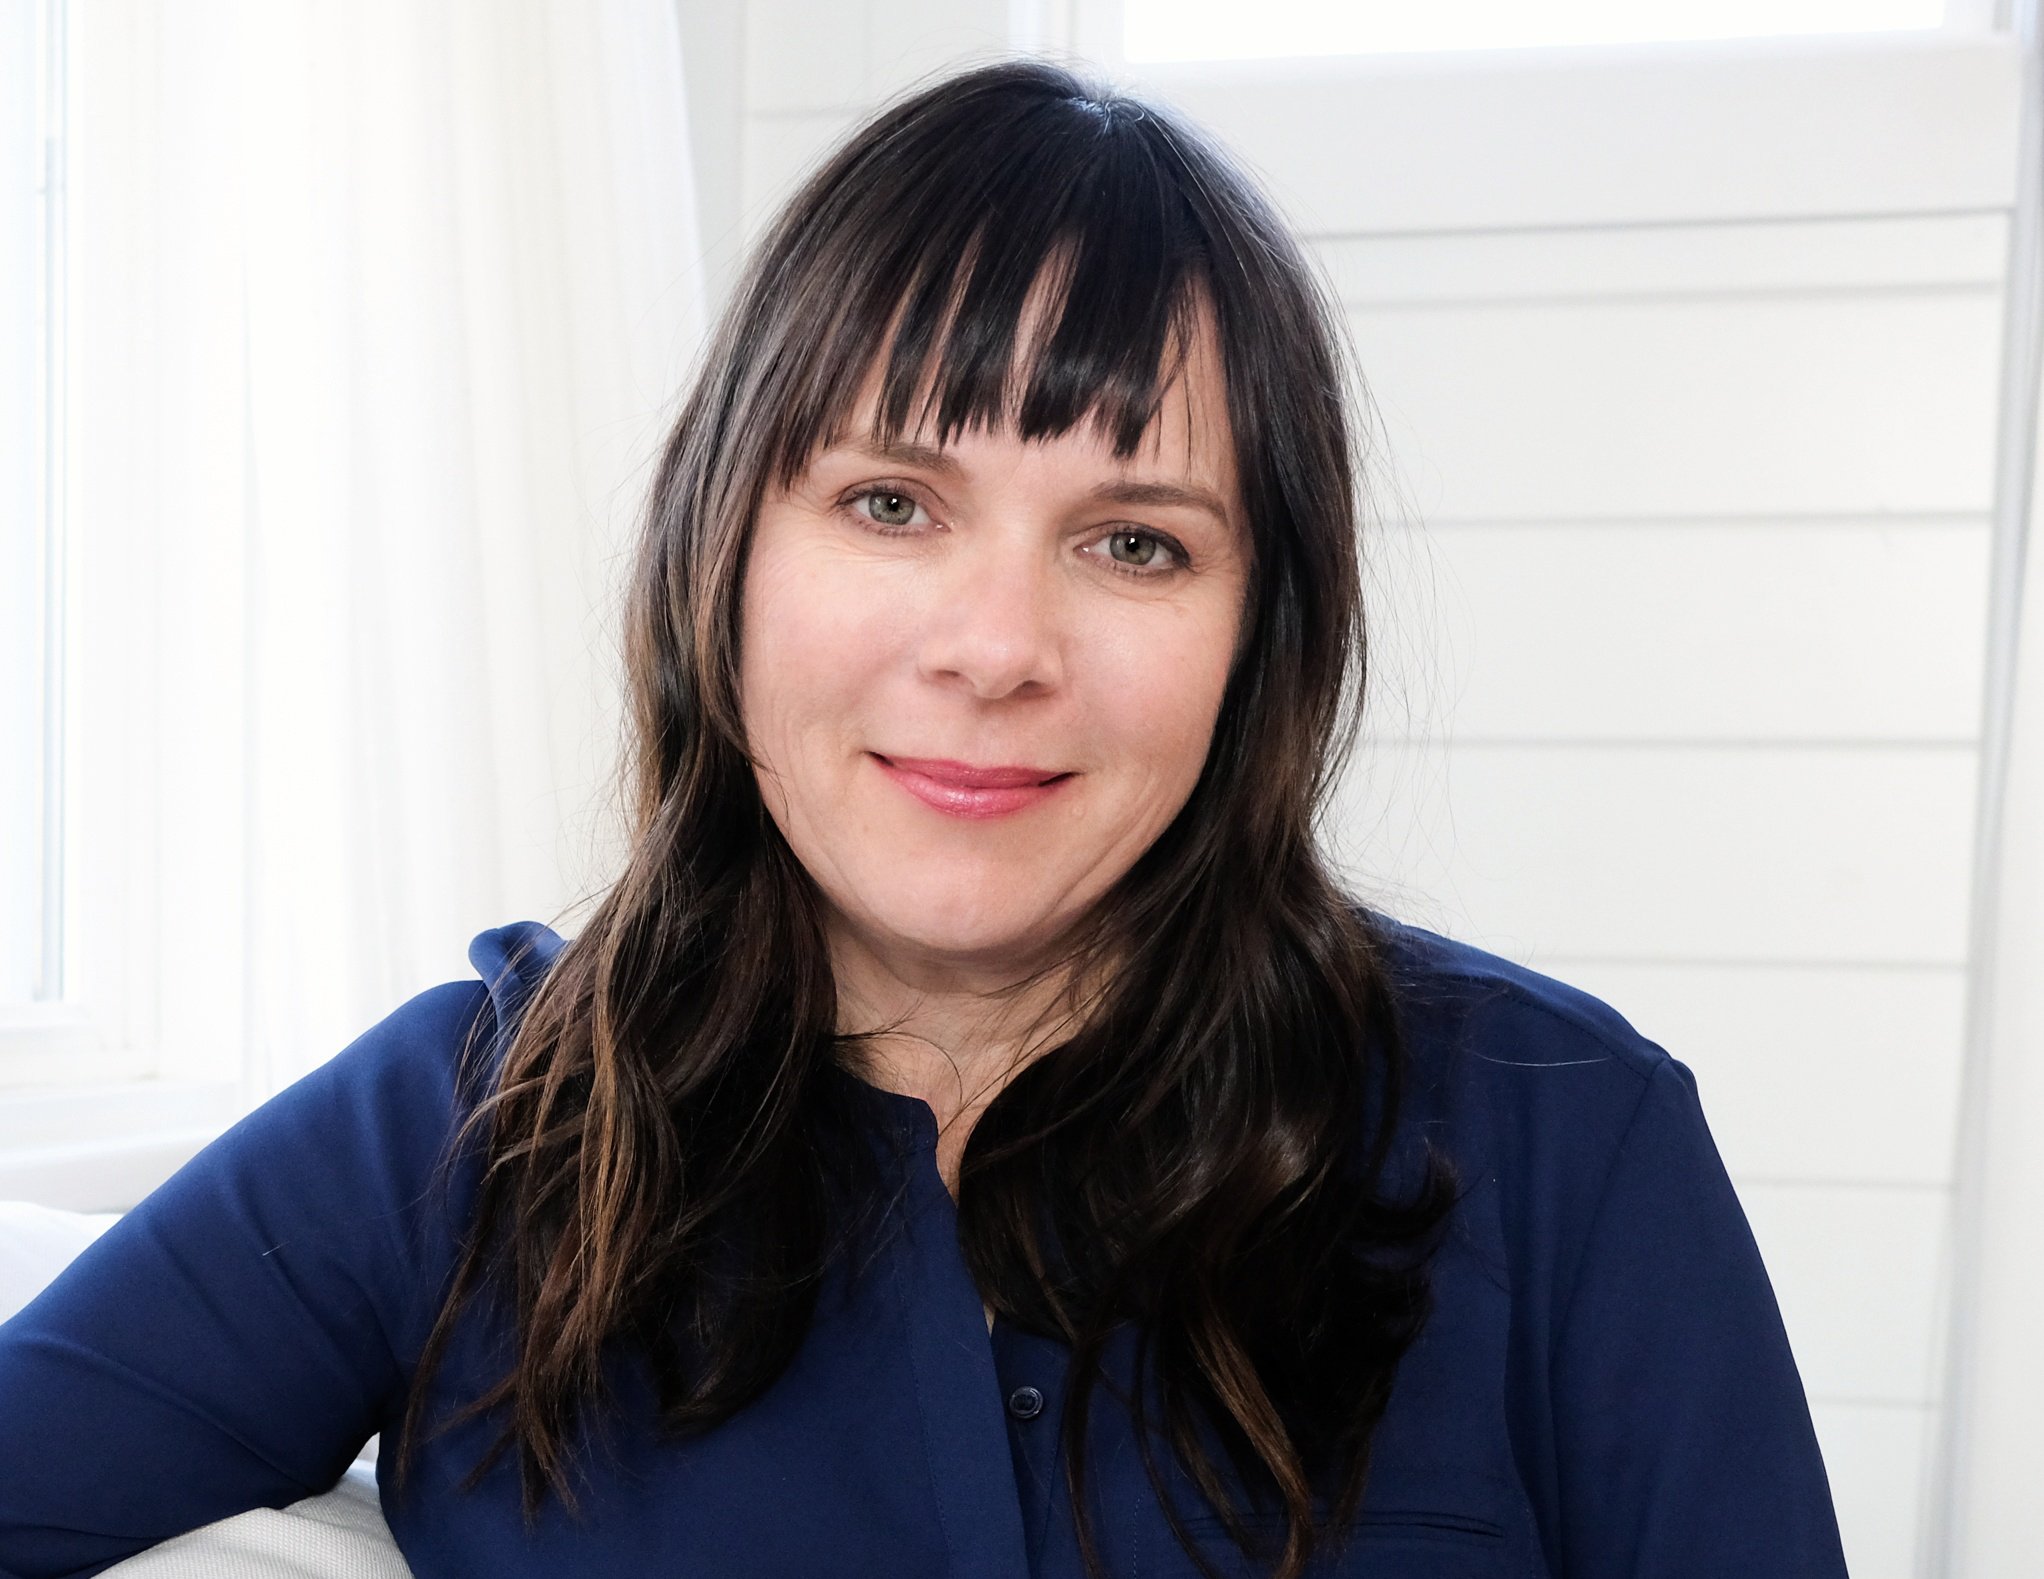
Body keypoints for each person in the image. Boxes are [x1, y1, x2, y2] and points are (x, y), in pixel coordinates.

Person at [0, 55, 1848, 1579]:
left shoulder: (1567, 1138)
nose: (996, 649)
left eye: (1135, 544)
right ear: (724, 555)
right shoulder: (463, 1129)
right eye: (892, 505)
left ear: (1259, 636)